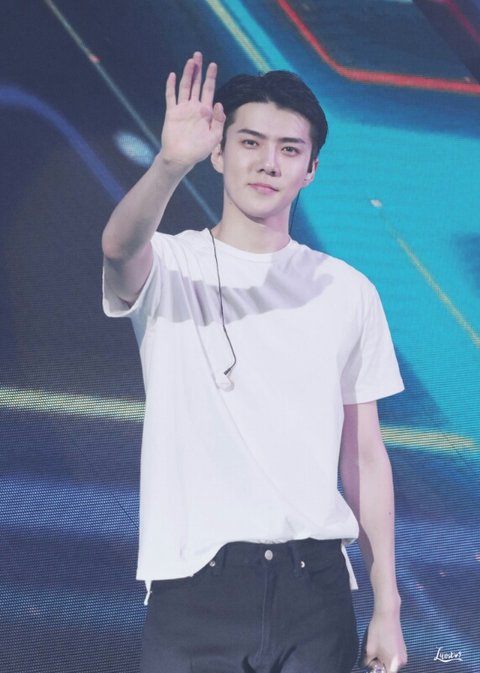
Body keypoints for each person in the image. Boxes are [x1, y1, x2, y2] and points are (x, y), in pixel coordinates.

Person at [102, 51, 408, 673]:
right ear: (219, 153)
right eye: (250, 142)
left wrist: (388, 605)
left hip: (316, 590)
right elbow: (118, 248)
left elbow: (364, 458)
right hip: (196, 588)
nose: (268, 162)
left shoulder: (347, 291)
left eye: (289, 150)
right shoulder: (172, 265)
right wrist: (169, 164)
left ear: (311, 169)